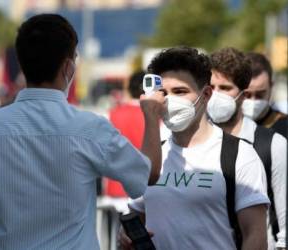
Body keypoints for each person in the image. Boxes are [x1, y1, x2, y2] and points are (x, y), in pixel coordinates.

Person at [0, 14, 166, 250]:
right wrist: (152, 115)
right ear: (68, 67)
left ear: (22, 64)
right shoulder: (90, 128)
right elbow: (149, 174)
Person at [120, 47, 270, 250]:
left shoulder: (239, 156)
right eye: (162, 93)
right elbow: (135, 219)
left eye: (180, 91)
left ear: (206, 94)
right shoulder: (153, 157)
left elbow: (256, 237)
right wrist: (125, 238)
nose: (169, 100)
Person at [207, 47, 286, 250]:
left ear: (243, 94)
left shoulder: (272, 144)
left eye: (225, 88)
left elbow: (284, 221)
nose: (216, 95)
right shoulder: (191, 142)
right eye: (211, 87)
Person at [242, 52, 287, 138]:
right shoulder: (226, 126)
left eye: (259, 95)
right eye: (247, 95)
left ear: (271, 87)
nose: (253, 101)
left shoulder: (285, 127)